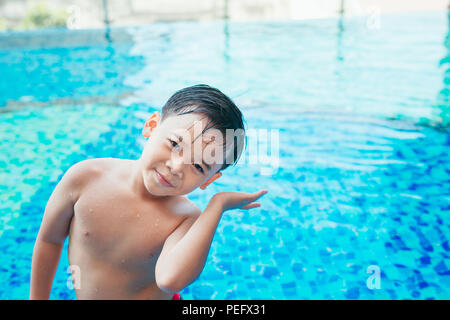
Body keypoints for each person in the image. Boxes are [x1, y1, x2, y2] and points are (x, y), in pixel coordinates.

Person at [30, 84, 268, 300]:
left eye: (198, 166)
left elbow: (170, 280)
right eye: (175, 144)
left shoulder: (184, 219)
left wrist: (217, 206)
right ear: (152, 126)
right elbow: (49, 240)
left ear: (210, 179)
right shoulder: (85, 178)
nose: (176, 167)